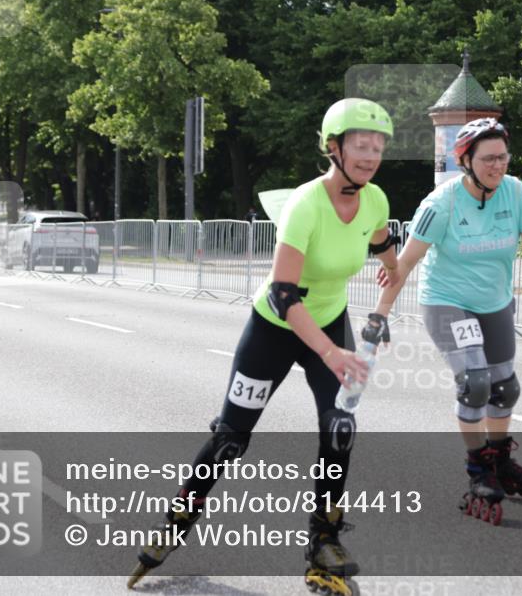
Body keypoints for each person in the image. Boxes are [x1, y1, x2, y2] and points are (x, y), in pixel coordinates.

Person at [128, 98, 398, 594]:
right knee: (232, 438)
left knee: (340, 428)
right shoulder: (305, 204)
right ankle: (176, 522)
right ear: (334, 147)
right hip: (275, 328)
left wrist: (385, 296)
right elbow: (282, 293)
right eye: (362, 145)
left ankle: (324, 539)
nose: (371, 155)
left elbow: (385, 251)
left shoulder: (375, 200)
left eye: (379, 147)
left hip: (330, 321)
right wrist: (332, 353)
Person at [371, 117, 522, 524]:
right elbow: (405, 263)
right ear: (466, 160)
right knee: (475, 382)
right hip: (447, 303)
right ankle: (478, 468)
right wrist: (380, 314)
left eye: (502, 157)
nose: (497, 166)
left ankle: (499, 459)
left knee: (505, 388)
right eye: (488, 159)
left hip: (494, 302)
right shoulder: (441, 204)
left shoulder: (516, 194)